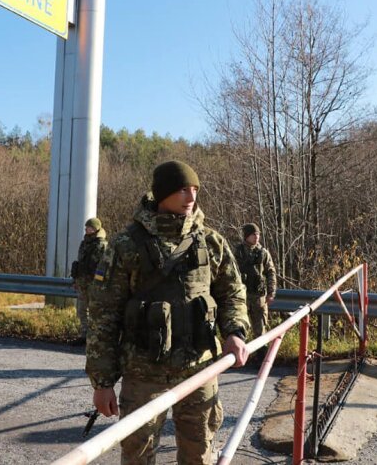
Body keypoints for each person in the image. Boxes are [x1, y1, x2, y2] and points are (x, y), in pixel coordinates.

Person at [86, 160, 250, 464]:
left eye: (195, 190)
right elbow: (103, 314)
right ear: (162, 194)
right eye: (183, 190)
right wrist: (103, 382)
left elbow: (233, 292)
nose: (191, 197)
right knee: (137, 455)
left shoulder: (211, 241)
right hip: (143, 372)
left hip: (199, 369)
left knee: (199, 453)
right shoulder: (126, 244)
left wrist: (235, 332)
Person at [234, 223, 277, 345]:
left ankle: (261, 358)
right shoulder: (238, 252)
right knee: (240, 329)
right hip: (242, 297)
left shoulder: (263, 253)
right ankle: (239, 358)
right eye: (253, 234)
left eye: (258, 234)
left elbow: (271, 273)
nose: (256, 236)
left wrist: (271, 293)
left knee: (261, 331)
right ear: (247, 236)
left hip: (259, 297)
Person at [70, 217, 108, 345]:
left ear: (96, 229)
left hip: (94, 284)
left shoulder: (102, 245)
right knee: (81, 310)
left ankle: (94, 337)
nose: (86, 229)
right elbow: (80, 263)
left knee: (94, 311)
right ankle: (84, 335)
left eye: (89, 227)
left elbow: (103, 267)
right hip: (82, 282)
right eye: (86, 227)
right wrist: (76, 280)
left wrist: (100, 284)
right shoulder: (84, 243)